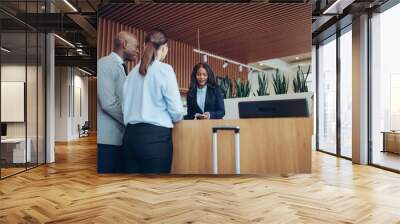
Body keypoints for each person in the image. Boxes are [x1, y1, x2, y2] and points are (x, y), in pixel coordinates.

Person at [122, 29, 184, 173]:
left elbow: (124, 108)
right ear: (164, 48)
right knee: (156, 191)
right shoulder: (165, 70)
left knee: (133, 190)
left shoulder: (131, 74)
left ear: (145, 46)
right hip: (156, 140)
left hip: (129, 139)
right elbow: (177, 112)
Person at [97, 31, 139, 173]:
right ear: (124, 44)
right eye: (136, 47)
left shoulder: (122, 68)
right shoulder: (104, 64)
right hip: (107, 142)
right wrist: (131, 120)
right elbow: (108, 103)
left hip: (120, 140)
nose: (137, 51)